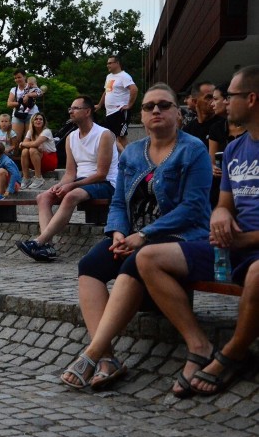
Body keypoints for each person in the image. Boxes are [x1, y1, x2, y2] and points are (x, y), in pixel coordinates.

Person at [58, 83, 212, 390]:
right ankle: (108, 358)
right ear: (141, 115)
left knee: (135, 263)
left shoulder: (192, 150)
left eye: (164, 105)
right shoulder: (132, 155)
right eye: (149, 106)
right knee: (90, 266)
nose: (156, 110)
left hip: (179, 234)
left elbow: (194, 207)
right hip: (135, 235)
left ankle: (92, 352)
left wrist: (144, 234)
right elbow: (118, 202)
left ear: (178, 115)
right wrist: (117, 231)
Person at [137, 65, 259, 398]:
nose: (221, 102)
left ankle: (234, 352)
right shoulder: (234, 149)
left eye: (228, 96)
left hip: (251, 250)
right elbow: (224, 203)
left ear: (251, 98)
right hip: (231, 246)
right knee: (148, 257)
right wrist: (220, 213)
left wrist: (243, 238)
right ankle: (199, 344)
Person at [16, 96, 119, 261]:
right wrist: (60, 185)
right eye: (70, 108)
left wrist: (70, 187)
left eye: (75, 108)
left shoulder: (104, 134)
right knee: (43, 197)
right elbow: (70, 173)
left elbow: (101, 174)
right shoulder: (71, 138)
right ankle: (47, 247)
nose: (71, 111)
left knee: (71, 195)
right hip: (81, 181)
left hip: (105, 183)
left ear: (87, 111)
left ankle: (39, 241)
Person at [94, 54, 138, 153]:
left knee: (121, 137)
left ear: (117, 63)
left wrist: (129, 105)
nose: (107, 65)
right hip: (109, 113)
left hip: (120, 111)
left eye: (110, 63)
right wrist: (100, 105)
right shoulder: (109, 76)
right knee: (113, 137)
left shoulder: (124, 76)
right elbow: (106, 91)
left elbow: (134, 89)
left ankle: (130, 158)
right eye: (107, 63)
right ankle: (124, 159)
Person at [19, 113, 58, 190]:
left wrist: (24, 143)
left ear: (44, 122)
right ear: (32, 121)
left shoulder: (47, 131)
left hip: (50, 160)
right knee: (24, 151)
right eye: (36, 119)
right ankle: (26, 178)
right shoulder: (30, 131)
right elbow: (23, 146)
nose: (38, 121)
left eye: (41, 119)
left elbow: (33, 143)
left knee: (32, 149)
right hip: (37, 159)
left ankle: (39, 178)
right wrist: (28, 144)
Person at [7, 70, 40, 154]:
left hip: (32, 113)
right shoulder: (14, 89)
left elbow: (39, 93)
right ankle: (15, 159)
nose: (17, 79)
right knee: (15, 138)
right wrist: (20, 102)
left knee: (28, 137)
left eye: (19, 77)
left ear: (24, 77)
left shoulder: (31, 86)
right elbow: (9, 103)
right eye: (15, 78)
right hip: (18, 114)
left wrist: (28, 95)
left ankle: (26, 159)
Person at [183, 81, 223, 148]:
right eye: (209, 97)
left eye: (215, 97)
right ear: (195, 102)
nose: (213, 101)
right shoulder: (187, 131)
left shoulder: (224, 125)